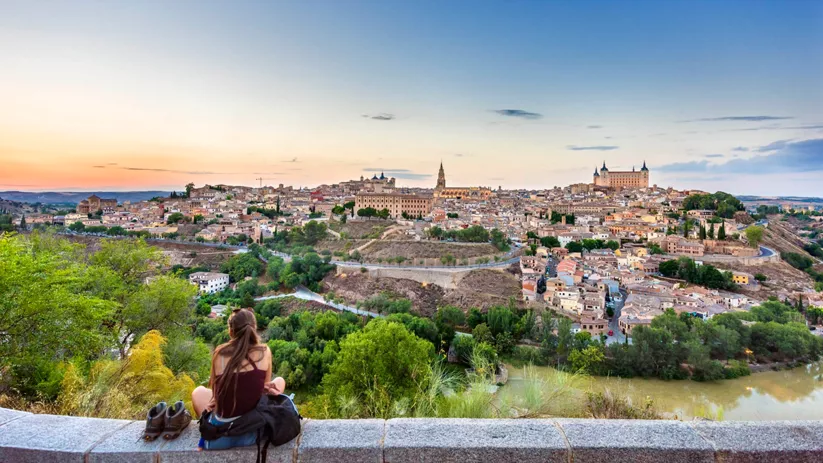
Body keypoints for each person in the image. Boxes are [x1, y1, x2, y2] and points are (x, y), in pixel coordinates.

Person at [192, 308, 286, 450]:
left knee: (198, 392)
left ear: (231, 331)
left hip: (220, 437)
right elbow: (265, 389)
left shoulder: (220, 353)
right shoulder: (264, 351)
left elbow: (217, 395)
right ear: (254, 328)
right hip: (253, 432)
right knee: (279, 381)